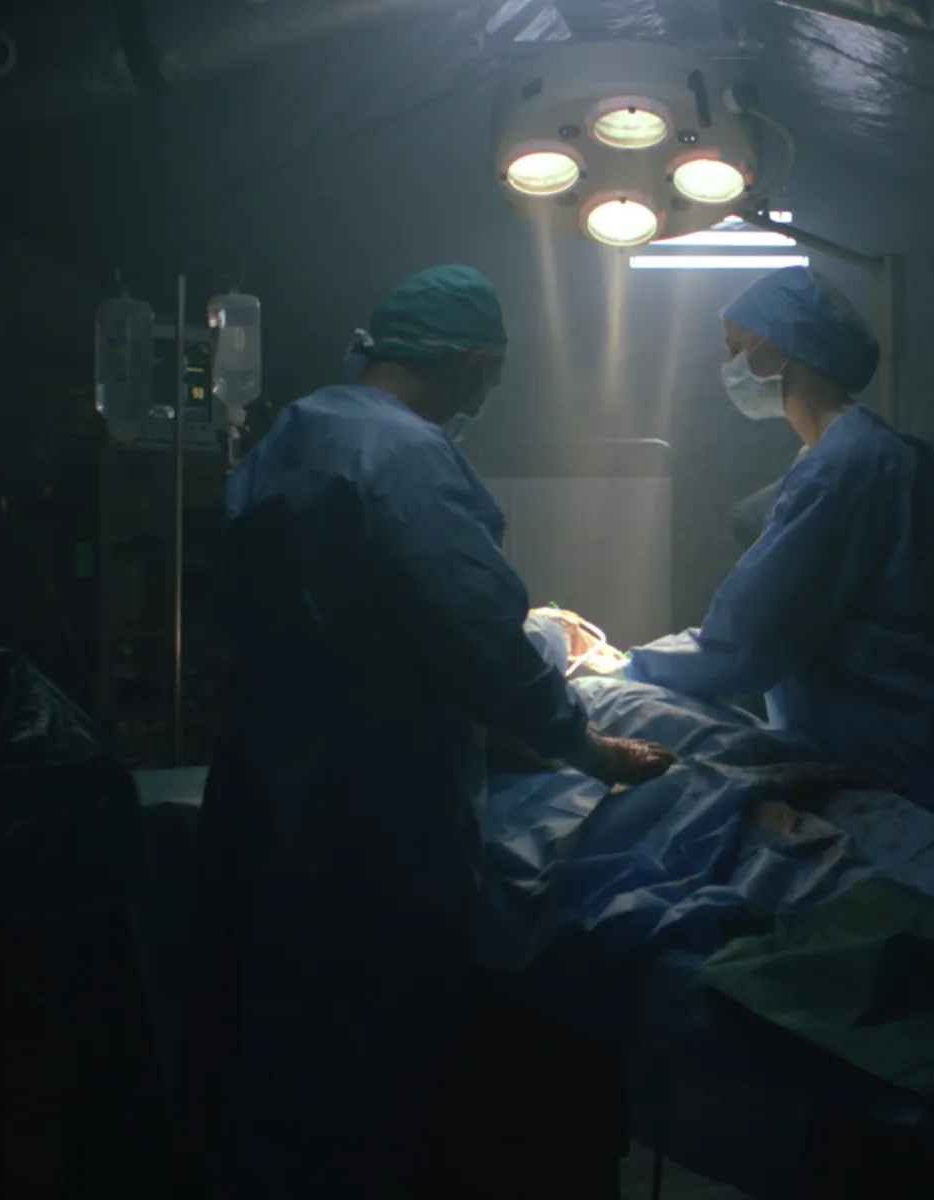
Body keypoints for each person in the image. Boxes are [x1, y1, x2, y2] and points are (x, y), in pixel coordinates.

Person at [179, 264, 676, 1199]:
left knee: (272, 1060)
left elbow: (338, 626)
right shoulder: (408, 457)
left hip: (268, 786)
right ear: (480, 365)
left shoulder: (292, 432)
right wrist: (587, 747)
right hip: (375, 815)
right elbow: (478, 637)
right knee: (368, 1075)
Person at [622, 266, 934, 888]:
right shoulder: (856, 454)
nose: (727, 364)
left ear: (779, 347)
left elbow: (747, 646)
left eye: (735, 346)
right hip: (933, 744)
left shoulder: (848, 468)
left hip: (921, 759)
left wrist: (628, 666)